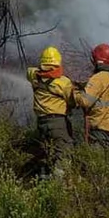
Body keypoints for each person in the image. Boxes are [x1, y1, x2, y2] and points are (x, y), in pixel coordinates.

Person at [27, 46, 76, 176]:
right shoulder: (63, 83)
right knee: (64, 149)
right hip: (58, 122)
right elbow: (72, 101)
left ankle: (43, 180)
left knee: (46, 152)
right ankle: (58, 182)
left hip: (41, 122)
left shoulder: (33, 75)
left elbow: (30, 70)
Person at [73, 43, 109, 150]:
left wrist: (74, 92)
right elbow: (105, 92)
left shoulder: (99, 78)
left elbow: (85, 101)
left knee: (95, 158)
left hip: (101, 128)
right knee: (107, 158)